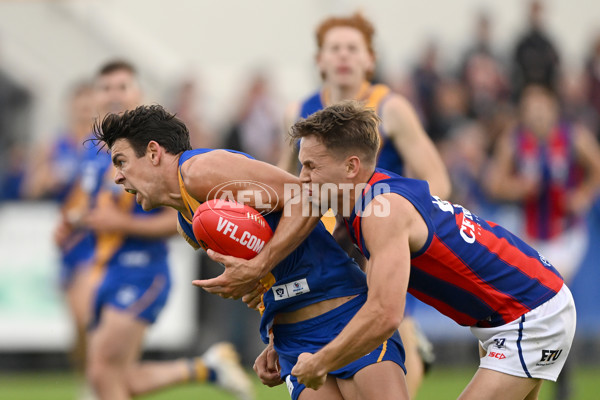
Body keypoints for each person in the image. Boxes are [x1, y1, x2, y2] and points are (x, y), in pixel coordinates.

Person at [197, 101, 577, 400]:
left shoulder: (382, 212)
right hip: (509, 312)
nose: (301, 179)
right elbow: (347, 283)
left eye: (311, 166)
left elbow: (385, 314)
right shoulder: (368, 200)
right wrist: (284, 338)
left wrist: (321, 361)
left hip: (531, 314)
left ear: (351, 166)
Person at [92, 104, 409, 400]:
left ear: (153, 152)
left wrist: (260, 265)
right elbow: (265, 275)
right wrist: (273, 333)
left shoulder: (201, 172)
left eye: (121, 161)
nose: (117, 176)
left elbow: (309, 195)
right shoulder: (188, 224)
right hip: (294, 340)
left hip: (343, 313)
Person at [57, 61, 253, 400]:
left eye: (122, 87)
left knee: (101, 371)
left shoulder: (150, 152)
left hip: (141, 270)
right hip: (105, 270)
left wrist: (121, 224)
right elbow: (92, 205)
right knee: (116, 378)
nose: (114, 94)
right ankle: (207, 368)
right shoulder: (94, 154)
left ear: (138, 94)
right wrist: (72, 222)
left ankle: (207, 367)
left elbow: (180, 216)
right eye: (106, 87)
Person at [278, 12, 449, 396]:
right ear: (319, 60)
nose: (343, 56)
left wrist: (404, 221)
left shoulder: (391, 108)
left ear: (369, 59)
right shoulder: (297, 111)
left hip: (377, 234)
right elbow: (282, 181)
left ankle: (408, 351)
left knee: (386, 323)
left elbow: (436, 177)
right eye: (334, 48)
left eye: (352, 48)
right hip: (324, 241)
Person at [486, 84, 600, 400]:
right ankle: (525, 372)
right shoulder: (514, 141)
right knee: (533, 305)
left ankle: (561, 381)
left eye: (541, 107)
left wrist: (583, 195)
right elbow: (495, 183)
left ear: (552, 108)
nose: (536, 114)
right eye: (530, 108)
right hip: (531, 233)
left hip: (566, 233)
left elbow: (596, 168)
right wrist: (519, 187)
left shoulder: (572, 137)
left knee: (554, 296)